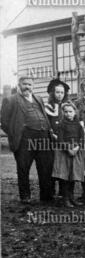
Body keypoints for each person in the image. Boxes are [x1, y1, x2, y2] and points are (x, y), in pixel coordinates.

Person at [1, 76, 54, 204]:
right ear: (19, 85)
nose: (27, 87)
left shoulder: (38, 98)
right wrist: (16, 133)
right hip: (24, 139)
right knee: (23, 168)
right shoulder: (10, 100)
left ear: (33, 86)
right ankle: (25, 197)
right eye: (24, 84)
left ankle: (46, 197)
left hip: (43, 137)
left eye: (30, 84)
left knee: (45, 167)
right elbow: (4, 122)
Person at [51, 102, 85, 207]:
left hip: (75, 151)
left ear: (75, 112)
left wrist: (77, 147)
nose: (68, 114)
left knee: (72, 176)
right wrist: (68, 149)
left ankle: (72, 198)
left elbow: (82, 138)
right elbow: (60, 140)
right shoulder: (61, 125)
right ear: (62, 112)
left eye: (70, 111)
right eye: (65, 112)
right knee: (65, 176)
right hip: (64, 153)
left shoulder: (78, 125)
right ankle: (65, 199)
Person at [45, 78, 70, 198]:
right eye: (57, 92)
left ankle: (63, 192)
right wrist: (52, 134)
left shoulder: (67, 107)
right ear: (52, 93)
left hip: (65, 140)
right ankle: (50, 191)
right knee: (51, 164)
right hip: (52, 140)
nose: (60, 95)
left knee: (63, 164)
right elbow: (47, 123)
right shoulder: (48, 107)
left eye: (62, 92)